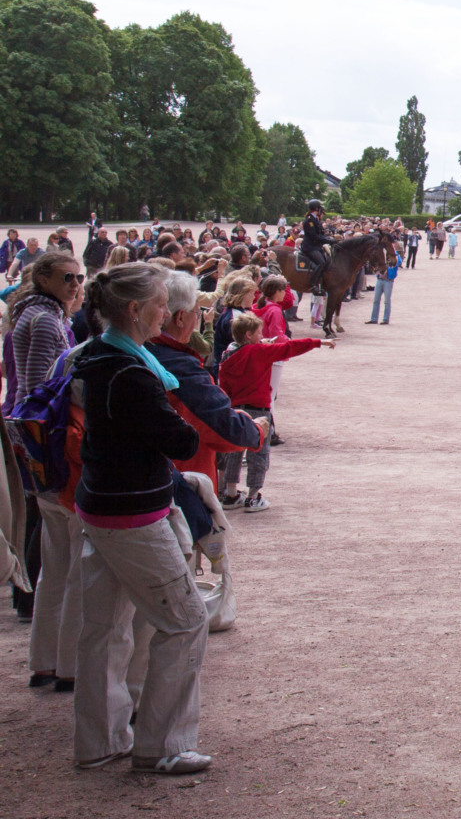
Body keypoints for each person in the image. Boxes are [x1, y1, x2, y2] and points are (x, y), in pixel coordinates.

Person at [71, 262, 211, 774]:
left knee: (104, 629)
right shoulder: (133, 372)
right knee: (185, 622)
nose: (166, 313)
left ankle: (100, 740)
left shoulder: (95, 356)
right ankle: (163, 744)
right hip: (133, 512)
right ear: (135, 310)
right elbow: (181, 439)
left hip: (101, 504)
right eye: (158, 304)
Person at [10, 251, 82, 693]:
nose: (75, 285)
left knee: (54, 566)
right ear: (42, 278)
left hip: (41, 448)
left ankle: (46, 661)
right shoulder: (44, 320)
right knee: (70, 564)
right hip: (51, 447)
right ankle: (68, 664)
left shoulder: (37, 313)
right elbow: (40, 390)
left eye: (79, 278)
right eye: (67, 278)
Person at [146, 270, 266, 499]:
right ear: (180, 317)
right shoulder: (180, 365)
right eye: (197, 312)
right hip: (179, 486)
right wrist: (257, 429)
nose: (199, 318)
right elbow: (224, 430)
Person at [217, 314, 333, 512]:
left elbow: (224, 386)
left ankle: (230, 494)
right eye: (258, 332)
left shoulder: (227, 356)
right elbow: (289, 347)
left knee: (234, 453)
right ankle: (253, 496)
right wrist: (317, 342)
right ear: (248, 334)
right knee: (258, 455)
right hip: (258, 409)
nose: (262, 335)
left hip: (235, 408)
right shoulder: (260, 351)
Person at [367, 247, 400, 325]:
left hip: (388, 280)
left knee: (387, 301)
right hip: (380, 279)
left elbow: (398, 261)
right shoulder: (381, 255)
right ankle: (373, 318)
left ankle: (385, 319)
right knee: (376, 300)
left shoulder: (394, 255)